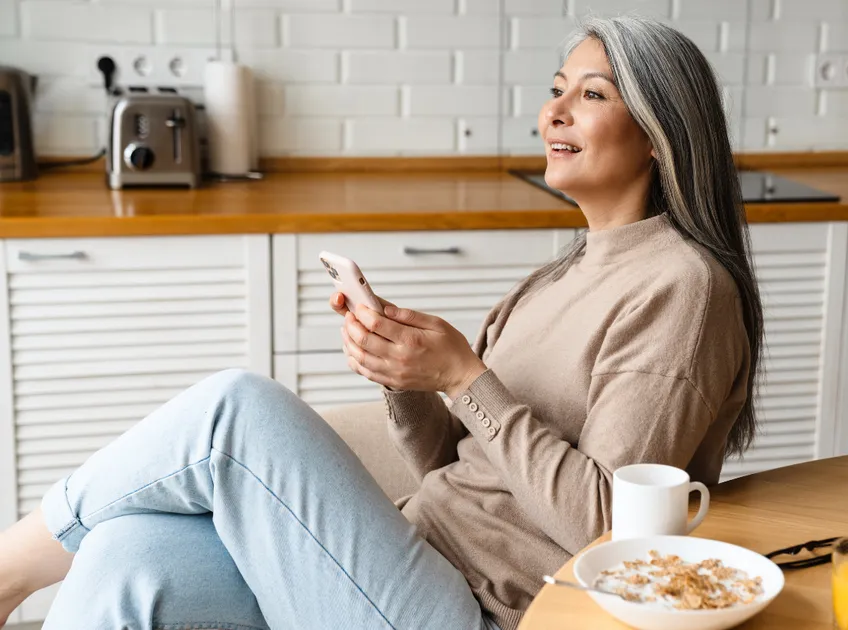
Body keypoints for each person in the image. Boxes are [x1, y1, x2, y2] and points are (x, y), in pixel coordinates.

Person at [0, 14, 763, 630]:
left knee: (236, 410)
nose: (554, 111)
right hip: (408, 559)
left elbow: (607, 529)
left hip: (484, 610)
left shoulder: (683, 289)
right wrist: (408, 382)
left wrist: (467, 377)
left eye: (592, 95)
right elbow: (453, 470)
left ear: (662, 132)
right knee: (128, 551)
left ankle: (5, 572)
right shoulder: (563, 272)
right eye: (556, 89)